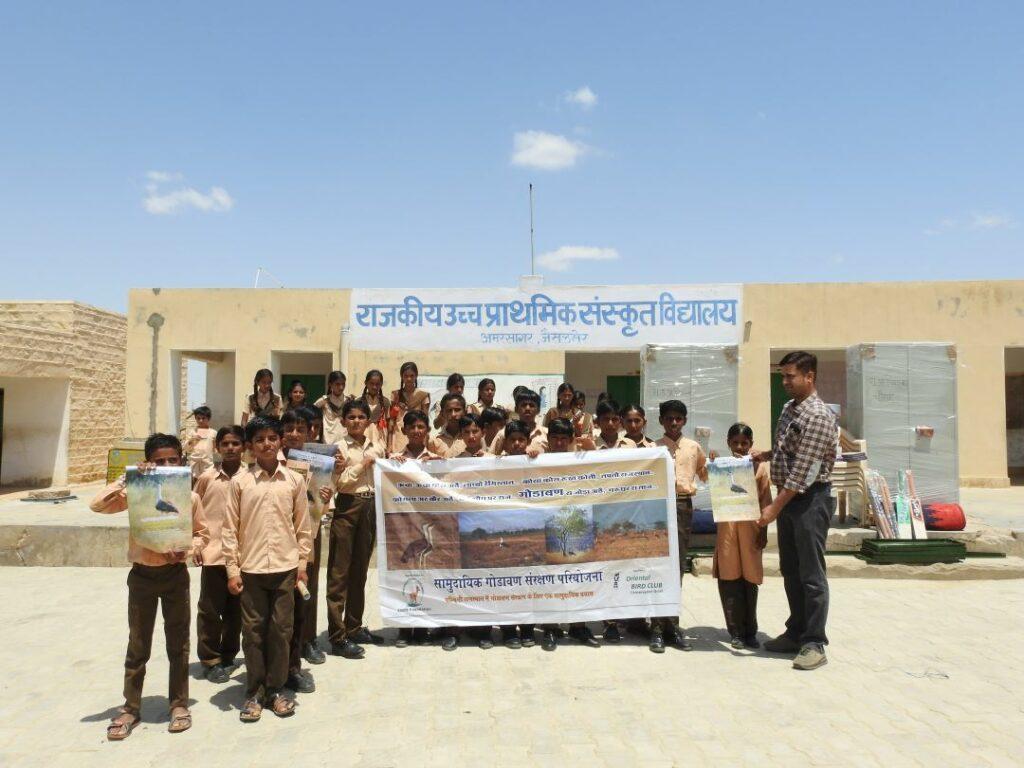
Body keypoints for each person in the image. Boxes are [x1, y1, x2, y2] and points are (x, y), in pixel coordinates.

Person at [90, 433, 208, 740]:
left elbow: (203, 535)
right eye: (159, 461)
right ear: (148, 463)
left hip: (174, 575)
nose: (167, 465)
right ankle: (130, 707)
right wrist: (126, 480)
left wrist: (189, 550)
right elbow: (96, 505)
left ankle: (179, 704)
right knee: (138, 644)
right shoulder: (136, 493)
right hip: (142, 575)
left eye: (172, 460)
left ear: (182, 461)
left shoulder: (190, 498)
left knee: (178, 643)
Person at [223, 415, 312, 722]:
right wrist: (232, 570)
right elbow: (229, 529)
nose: (266, 444)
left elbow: (303, 527)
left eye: (271, 438)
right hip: (252, 569)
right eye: (259, 439)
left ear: (279, 441)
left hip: (286, 568)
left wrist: (302, 565)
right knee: (253, 632)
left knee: (281, 630)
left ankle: (275, 689)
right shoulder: (240, 482)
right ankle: (254, 691)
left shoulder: (294, 481)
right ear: (251, 446)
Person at [752, 351, 837, 671]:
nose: (785, 382)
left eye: (790, 376)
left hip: (809, 500)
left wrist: (773, 507)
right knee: (791, 568)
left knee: (811, 575)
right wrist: (766, 454)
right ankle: (796, 631)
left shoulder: (818, 415)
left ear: (810, 377)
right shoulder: (790, 408)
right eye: (783, 376)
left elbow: (804, 471)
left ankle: (814, 642)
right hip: (790, 499)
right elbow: (790, 448)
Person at [326, 400, 384, 659]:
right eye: (352, 417)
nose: (357, 421)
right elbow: (340, 483)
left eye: (362, 417)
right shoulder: (338, 448)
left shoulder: (376, 446)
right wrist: (364, 465)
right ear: (343, 420)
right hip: (348, 508)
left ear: (368, 421)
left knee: (360, 571)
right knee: (340, 574)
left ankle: (354, 625)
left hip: (370, 507)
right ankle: (337, 636)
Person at [538, 419, 600, 651]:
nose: (560, 442)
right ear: (549, 439)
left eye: (565, 438)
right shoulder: (538, 460)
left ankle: (578, 626)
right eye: (556, 437)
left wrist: (593, 451)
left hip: (577, 519)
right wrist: (529, 454)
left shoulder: (581, 458)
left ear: (572, 439)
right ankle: (551, 628)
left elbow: (602, 470)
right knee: (552, 576)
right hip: (551, 522)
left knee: (578, 573)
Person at [652, 399, 707, 653]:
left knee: (678, 566)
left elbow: (708, 475)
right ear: (661, 421)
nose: (674, 423)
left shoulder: (694, 448)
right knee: (659, 565)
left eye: (678, 418)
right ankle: (656, 628)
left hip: (684, 506)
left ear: (684, 420)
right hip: (660, 508)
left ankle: (673, 626)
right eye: (669, 418)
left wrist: (723, 464)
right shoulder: (653, 448)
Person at [280, 409, 328, 694]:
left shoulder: (317, 461)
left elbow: (319, 499)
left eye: (301, 429)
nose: (295, 434)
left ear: (310, 432)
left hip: (308, 531)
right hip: (276, 536)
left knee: (307, 589)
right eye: (290, 429)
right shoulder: (270, 460)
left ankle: (306, 641)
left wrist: (326, 495)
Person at [194, 426, 245, 684]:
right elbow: (195, 511)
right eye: (225, 444)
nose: (230, 448)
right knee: (211, 610)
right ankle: (210, 658)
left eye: (235, 443)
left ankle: (228, 655)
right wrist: (196, 546)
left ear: (243, 447)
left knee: (236, 611)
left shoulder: (251, 477)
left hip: (243, 557)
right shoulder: (206, 478)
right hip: (213, 554)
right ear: (217, 448)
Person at [712, 423, 770, 649]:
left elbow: (766, 501)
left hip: (750, 530)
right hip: (728, 530)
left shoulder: (760, 468)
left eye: (744, 443)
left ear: (751, 445)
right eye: (735, 442)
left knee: (750, 580)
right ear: (728, 443)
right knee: (729, 578)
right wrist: (713, 464)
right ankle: (735, 631)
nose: (739, 447)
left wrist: (763, 531)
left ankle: (750, 631)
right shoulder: (722, 466)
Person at [389, 409, 442, 647]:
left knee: (427, 573)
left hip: (428, 517)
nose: (417, 431)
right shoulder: (396, 459)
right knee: (405, 573)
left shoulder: (436, 458)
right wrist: (392, 464)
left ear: (427, 430)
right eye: (412, 428)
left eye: (421, 427)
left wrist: (439, 467)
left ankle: (422, 627)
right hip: (404, 523)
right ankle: (404, 628)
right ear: (405, 431)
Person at [495, 420, 536, 649]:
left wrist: (537, 453)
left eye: (522, 439)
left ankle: (528, 628)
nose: (518, 444)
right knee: (507, 582)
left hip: (528, 528)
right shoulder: (495, 463)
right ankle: (509, 630)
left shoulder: (536, 460)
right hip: (505, 528)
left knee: (529, 580)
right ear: (506, 442)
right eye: (513, 440)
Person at [489, 390, 547, 456]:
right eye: (523, 405)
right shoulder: (503, 433)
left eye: (531, 405)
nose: (527, 408)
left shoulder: (546, 434)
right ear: (516, 409)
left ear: (538, 410)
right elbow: (491, 458)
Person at [389, 361, 430, 454]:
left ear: (416, 376)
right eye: (406, 376)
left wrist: (426, 444)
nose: (409, 379)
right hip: (399, 434)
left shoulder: (422, 395)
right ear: (401, 377)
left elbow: (425, 421)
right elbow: (392, 420)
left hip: (417, 434)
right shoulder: (396, 395)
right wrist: (389, 445)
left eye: (412, 376)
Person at [315, 371, 351, 444]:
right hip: (328, 441)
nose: (341, 387)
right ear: (330, 384)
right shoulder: (324, 401)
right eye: (337, 384)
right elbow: (311, 412)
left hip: (345, 441)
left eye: (343, 384)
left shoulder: (349, 401)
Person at [184, 405, 217, 479]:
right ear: (195, 419)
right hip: (194, 464)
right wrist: (192, 440)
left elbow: (216, 450)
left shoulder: (213, 433)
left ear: (208, 418)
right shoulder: (192, 432)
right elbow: (186, 449)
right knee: (194, 485)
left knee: (206, 483)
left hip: (208, 464)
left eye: (203, 418)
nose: (200, 421)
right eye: (198, 418)